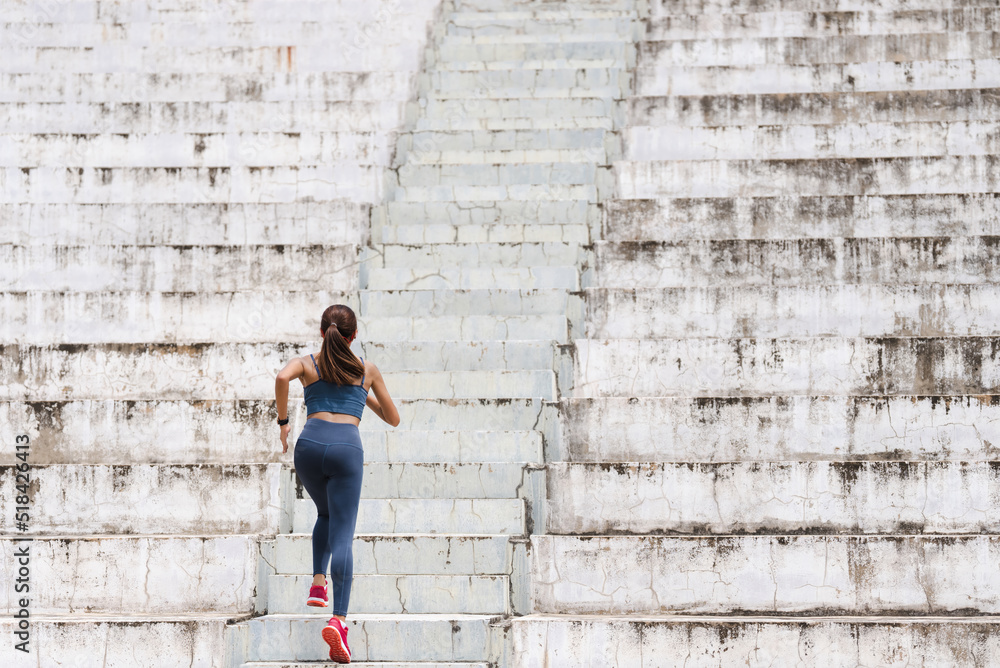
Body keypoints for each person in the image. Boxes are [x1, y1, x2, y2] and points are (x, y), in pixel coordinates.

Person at [274, 303, 399, 664]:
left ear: (322, 332)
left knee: (324, 513)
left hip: (309, 446)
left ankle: (317, 582)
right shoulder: (366, 370)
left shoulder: (308, 363)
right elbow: (393, 418)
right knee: (343, 532)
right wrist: (362, 395)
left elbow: (282, 378)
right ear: (354, 335)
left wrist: (284, 422)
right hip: (346, 447)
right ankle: (339, 620)